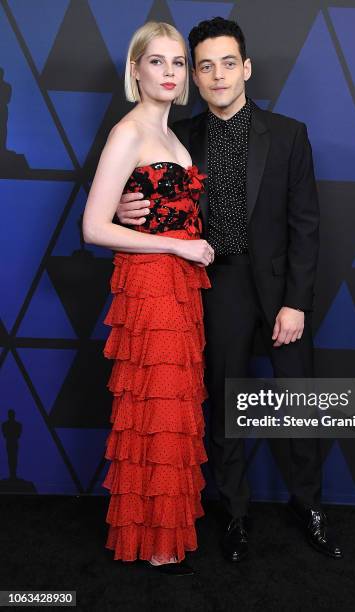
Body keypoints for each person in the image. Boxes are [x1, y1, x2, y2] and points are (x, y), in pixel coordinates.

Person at [117, 17, 343, 562]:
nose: (217, 75)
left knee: (300, 406)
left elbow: (305, 225)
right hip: (214, 285)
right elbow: (151, 201)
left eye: (227, 63)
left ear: (246, 68)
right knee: (226, 406)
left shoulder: (289, 134)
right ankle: (235, 514)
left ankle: (307, 504)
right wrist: (131, 211)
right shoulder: (180, 135)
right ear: (195, 76)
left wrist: (296, 302)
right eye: (204, 66)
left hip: (278, 289)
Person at [82, 21, 214, 576]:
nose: (169, 72)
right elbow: (93, 227)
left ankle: (162, 538)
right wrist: (178, 249)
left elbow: (158, 207)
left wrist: (178, 247)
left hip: (179, 286)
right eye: (156, 62)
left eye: (178, 62)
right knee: (154, 410)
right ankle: (154, 545)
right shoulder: (129, 132)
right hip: (151, 283)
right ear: (135, 70)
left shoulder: (174, 134)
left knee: (173, 409)